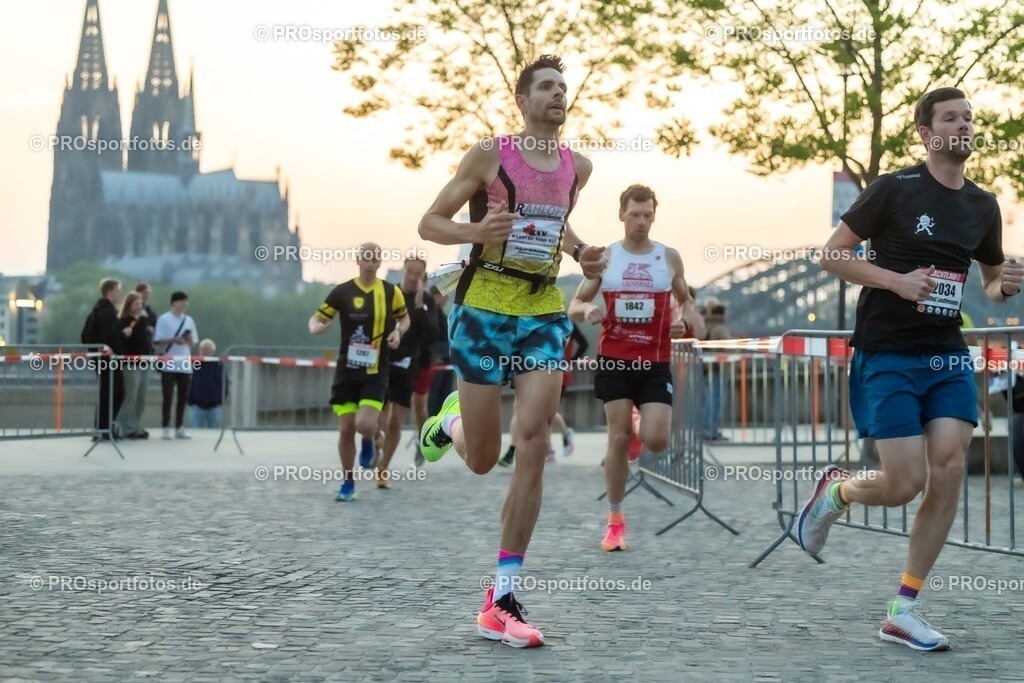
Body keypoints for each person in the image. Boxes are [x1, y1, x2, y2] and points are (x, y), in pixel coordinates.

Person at [801, 87, 1023, 651]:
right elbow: (831, 254)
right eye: (950, 118)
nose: (964, 126)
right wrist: (896, 280)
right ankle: (837, 495)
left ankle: (904, 608)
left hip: (947, 354)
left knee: (948, 470)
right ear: (925, 133)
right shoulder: (894, 190)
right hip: (888, 353)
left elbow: (993, 281)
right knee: (904, 484)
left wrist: (1004, 284)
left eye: (969, 118)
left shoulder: (982, 204)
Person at [416, 54, 606, 648]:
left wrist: (581, 254)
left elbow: (557, 225)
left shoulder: (580, 166)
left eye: (562, 87)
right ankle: (448, 419)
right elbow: (429, 222)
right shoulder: (489, 154)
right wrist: (477, 233)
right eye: (546, 87)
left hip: (544, 309)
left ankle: (501, 594)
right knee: (481, 458)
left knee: (533, 443)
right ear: (522, 101)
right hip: (483, 309)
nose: (557, 94)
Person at [568, 184, 692, 552]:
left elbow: (685, 302)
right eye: (635, 214)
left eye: (648, 215)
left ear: (654, 216)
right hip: (615, 359)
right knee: (617, 439)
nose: (641, 221)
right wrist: (587, 311)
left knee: (657, 440)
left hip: (655, 361)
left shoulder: (668, 258)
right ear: (621, 214)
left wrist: (681, 320)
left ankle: (641, 427)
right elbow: (575, 303)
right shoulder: (606, 258)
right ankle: (615, 522)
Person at [309, 243, 409, 501]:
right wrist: (316, 327)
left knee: (363, 424)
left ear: (379, 263)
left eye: (374, 259)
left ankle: (371, 437)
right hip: (346, 369)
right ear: (358, 260)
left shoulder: (390, 291)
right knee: (345, 430)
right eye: (366, 258)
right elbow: (318, 317)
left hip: (376, 369)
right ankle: (348, 482)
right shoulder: (343, 291)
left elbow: (404, 318)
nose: (369, 263)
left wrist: (398, 331)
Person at [377, 257, 439, 487]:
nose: (413, 278)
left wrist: (421, 307)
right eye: (409, 272)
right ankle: (375, 445)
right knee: (378, 417)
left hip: (414, 362)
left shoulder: (428, 301)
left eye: (418, 274)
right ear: (403, 271)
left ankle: (385, 466)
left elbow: (434, 333)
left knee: (402, 415)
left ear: (423, 277)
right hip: (383, 361)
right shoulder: (390, 294)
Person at [498, 323, 588, 467]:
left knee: (543, 412)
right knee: (521, 407)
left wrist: (571, 362)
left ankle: (558, 440)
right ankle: (513, 450)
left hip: (556, 372)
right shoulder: (529, 320)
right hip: (530, 370)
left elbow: (584, 344)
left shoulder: (566, 322)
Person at [81, 278, 126, 440]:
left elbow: (85, 335)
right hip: (108, 360)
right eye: (118, 290)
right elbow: (110, 336)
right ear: (110, 291)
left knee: (108, 393)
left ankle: (104, 427)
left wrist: (94, 350)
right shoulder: (107, 313)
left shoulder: (96, 311)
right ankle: (104, 428)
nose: (120, 294)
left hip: (100, 359)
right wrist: (121, 337)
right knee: (115, 393)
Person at [411, 285, 449, 467]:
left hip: (445, 364)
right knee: (430, 403)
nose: (446, 299)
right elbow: (429, 338)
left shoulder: (441, 314)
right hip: (432, 363)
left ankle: (431, 436)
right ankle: (427, 436)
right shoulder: (431, 312)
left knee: (440, 402)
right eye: (444, 295)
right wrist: (435, 357)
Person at [153, 291, 198, 440]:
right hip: (169, 361)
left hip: (184, 362)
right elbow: (158, 340)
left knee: (183, 397)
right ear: (174, 302)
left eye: (186, 301)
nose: (184, 304)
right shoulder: (164, 319)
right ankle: (166, 426)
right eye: (181, 301)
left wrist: (189, 340)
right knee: (168, 396)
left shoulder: (189, 320)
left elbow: (194, 341)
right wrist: (173, 340)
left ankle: (180, 426)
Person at [115, 291, 152, 439]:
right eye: (136, 303)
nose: (139, 306)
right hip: (131, 363)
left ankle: (136, 424)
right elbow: (126, 338)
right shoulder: (125, 321)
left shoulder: (143, 321)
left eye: (140, 303)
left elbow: (146, 339)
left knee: (141, 397)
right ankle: (125, 426)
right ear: (129, 305)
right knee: (131, 395)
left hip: (145, 362)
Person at [702, 298, 731, 441]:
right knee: (716, 401)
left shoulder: (705, 324)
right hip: (718, 367)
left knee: (708, 400)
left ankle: (709, 430)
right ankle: (711, 431)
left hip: (707, 368)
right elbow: (727, 346)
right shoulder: (720, 327)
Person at [188, 339, 227, 429]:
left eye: (206, 349)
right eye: (202, 349)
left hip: (214, 406)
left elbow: (225, 383)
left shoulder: (218, 364)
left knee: (213, 435)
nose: (204, 352)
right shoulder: (193, 363)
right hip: (196, 405)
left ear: (212, 351)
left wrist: (221, 400)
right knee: (196, 434)